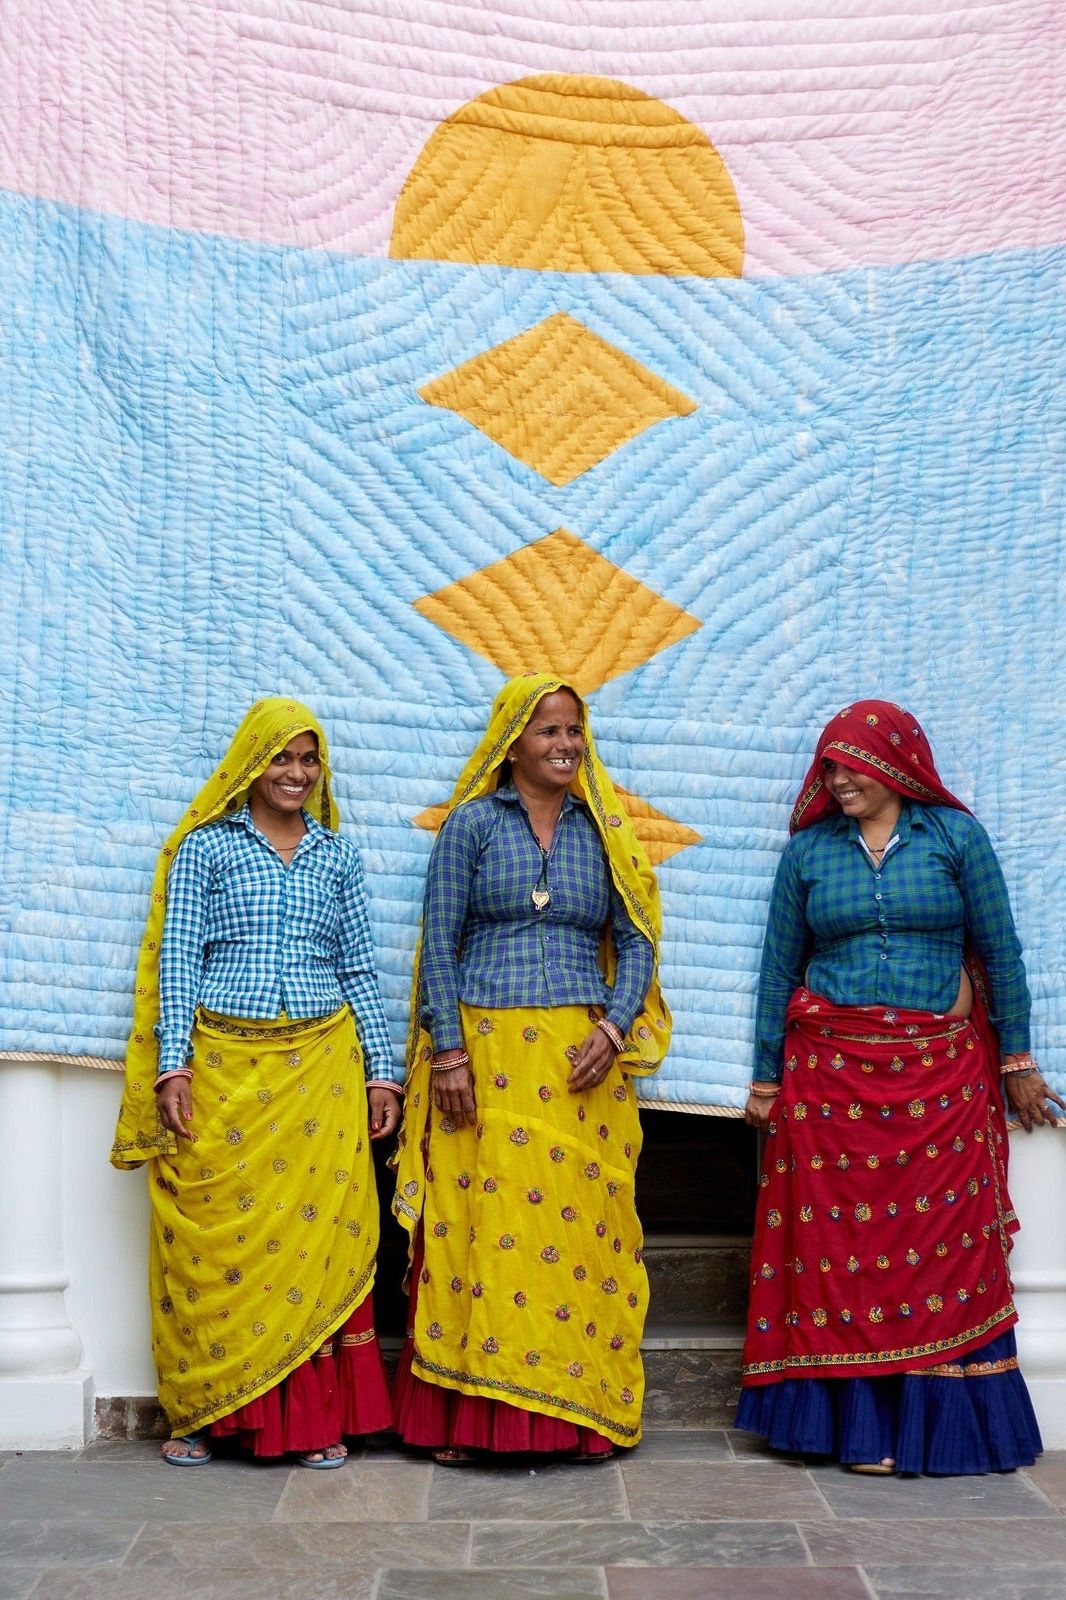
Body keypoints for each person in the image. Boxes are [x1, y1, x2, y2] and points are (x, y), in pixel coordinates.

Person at [736, 698, 1062, 1474]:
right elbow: (779, 966)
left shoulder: (955, 838)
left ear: (894, 765)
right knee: (842, 1253)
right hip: (830, 1080)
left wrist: (1015, 1060)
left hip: (937, 1082)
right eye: (830, 767)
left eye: (851, 766)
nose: (837, 779)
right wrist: (763, 1076)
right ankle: (854, 1428)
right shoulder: (809, 854)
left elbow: (1001, 951)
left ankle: (930, 1424)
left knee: (934, 1251)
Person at [110, 697, 403, 1467]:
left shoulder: (336, 856)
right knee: (217, 1240)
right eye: (282, 758)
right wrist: (173, 1062)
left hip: (319, 1069)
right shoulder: (208, 849)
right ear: (252, 763)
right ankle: (208, 1414)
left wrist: (383, 1072)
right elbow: (179, 962)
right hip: (225, 1062)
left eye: (309, 760)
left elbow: (359, 968)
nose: (297, 773)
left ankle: (312, 1424)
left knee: (316, 1242)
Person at [391, 673, 670, 1462]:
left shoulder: (601, 830)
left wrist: (616, 1029)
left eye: (574, 731)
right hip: (484, 1056)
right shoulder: (473, 825)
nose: (564, 745)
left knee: (578, 1237)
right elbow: (438, 943)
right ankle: (471, 1421)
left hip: (581, 1064)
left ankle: (576, 1413)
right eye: (548, 731)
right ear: (511, 740)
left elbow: (640, 938)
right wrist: (447, 1050)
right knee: (482, 1236)